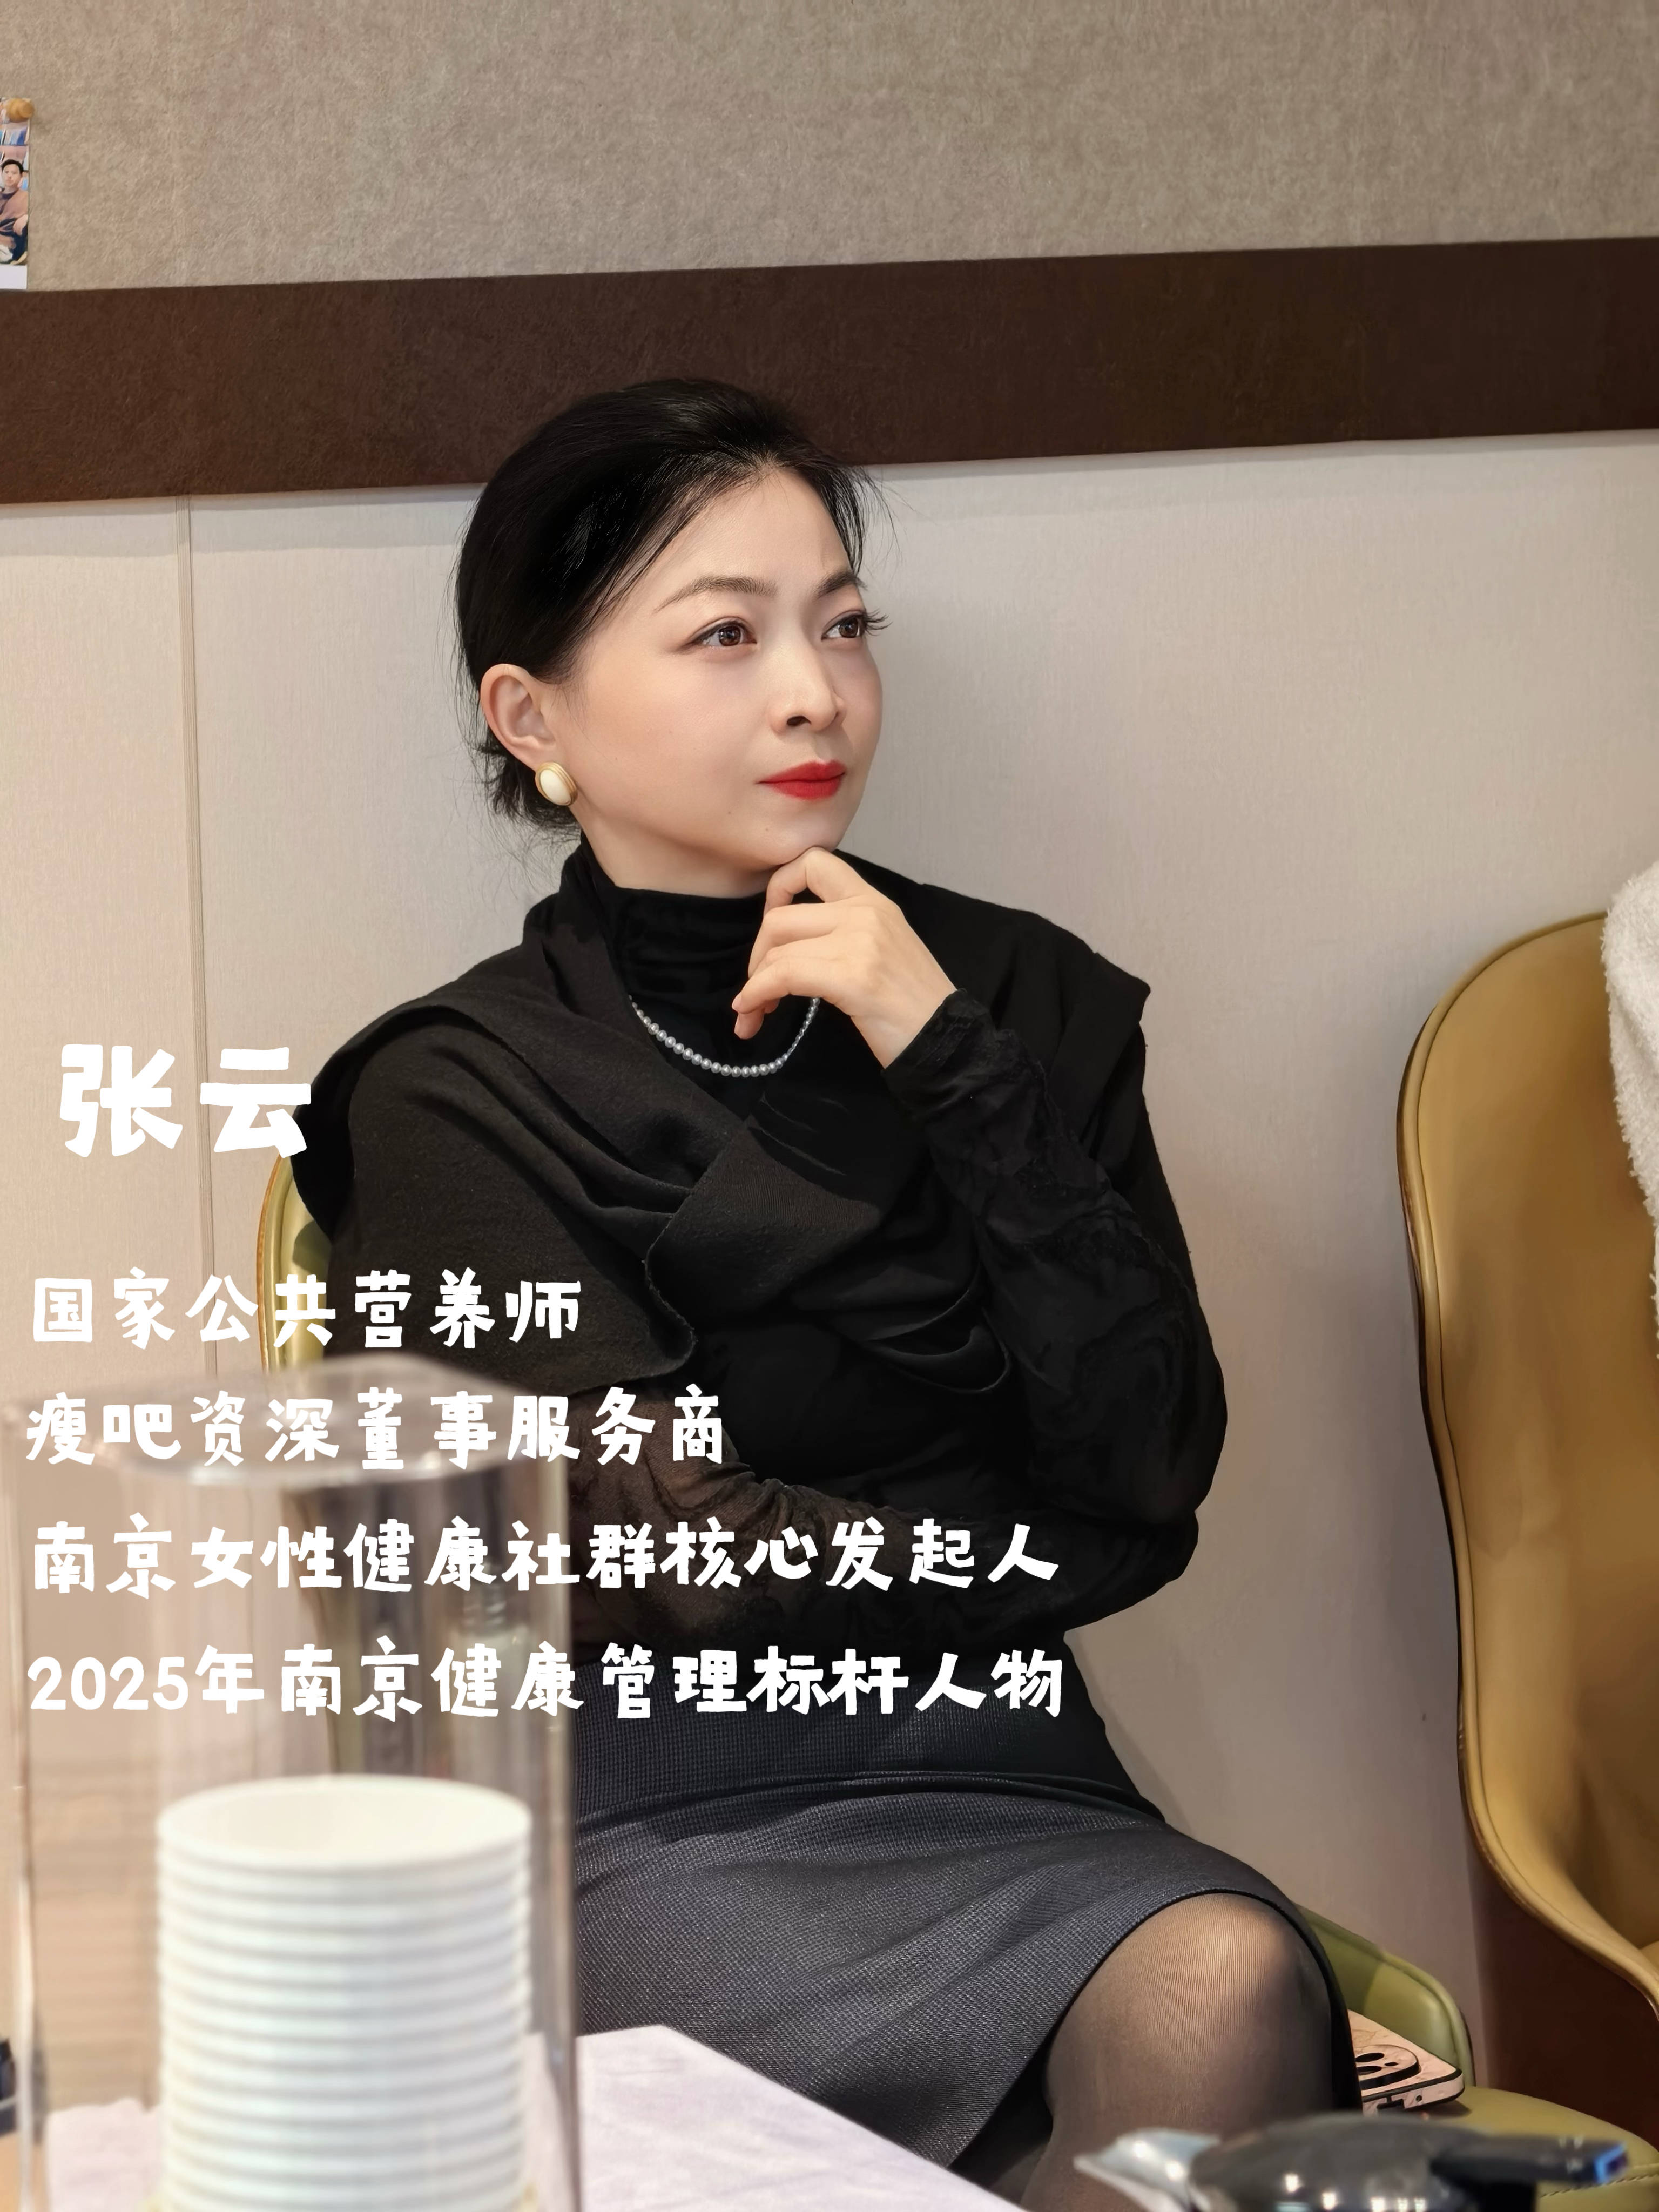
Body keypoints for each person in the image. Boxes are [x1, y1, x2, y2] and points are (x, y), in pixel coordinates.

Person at [293, 379, 1357, 2209]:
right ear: (533, 718)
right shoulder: (451, 1089)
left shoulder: (1019, 1002)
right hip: (652, 1809)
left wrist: (941, 1051)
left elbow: (1150, 1455)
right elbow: (651, 1553)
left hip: (1007, 1776)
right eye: (727, 635)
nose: (815, 692)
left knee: (1227, 1981)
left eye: (844, 626)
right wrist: (1045, 1554)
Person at [0, 154, 28, 264]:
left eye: (14, 173)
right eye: (6, 172)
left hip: (8, 247)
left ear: (21, 177)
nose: (9, 176)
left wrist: (28, 217)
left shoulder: (27, 197)